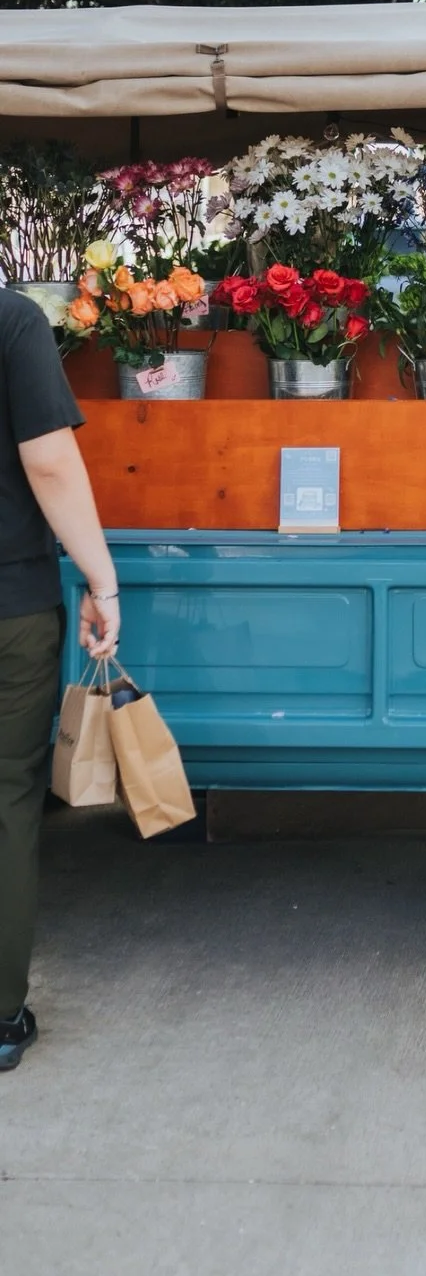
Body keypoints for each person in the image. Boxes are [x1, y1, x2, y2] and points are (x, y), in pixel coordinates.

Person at [0, 288, 119, 1073]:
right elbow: (47, 459)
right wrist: (101, 580)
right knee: (8, 797)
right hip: (9, 605)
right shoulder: (11, 321)